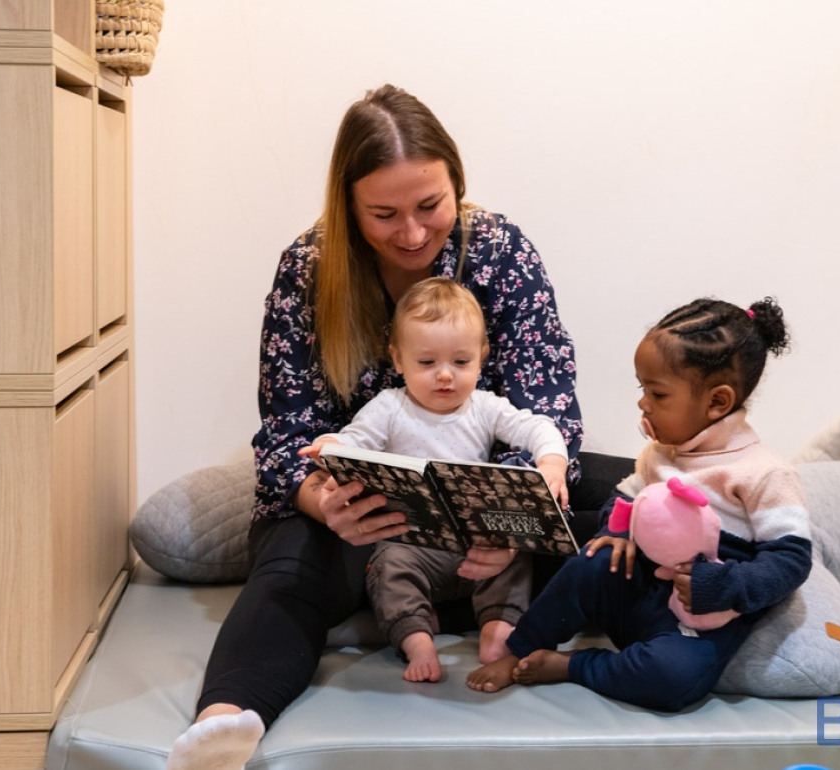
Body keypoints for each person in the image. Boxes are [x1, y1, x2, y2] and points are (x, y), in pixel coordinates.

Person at [165, 84, 583, 770]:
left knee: (623, 505)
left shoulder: (500, 252)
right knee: (290, 567)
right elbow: (286, 432)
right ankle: (224, 726)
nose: (412, 234)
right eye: (384, 214)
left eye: (430, 206)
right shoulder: (309, 268)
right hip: (358, 523)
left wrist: (505, 521)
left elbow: (548, 406)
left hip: (488, 519)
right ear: (348, 206)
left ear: (457, 186)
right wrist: (322, 502)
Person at [466, 297, 812, 712]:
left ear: (717, 403)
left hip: (693, 619)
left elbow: (791, 561)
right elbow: (624, 497)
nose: (643, 403)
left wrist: (724, 586)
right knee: (589, 562)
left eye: (657, 393)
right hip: (636, 590)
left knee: (674, 678)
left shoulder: (764, 473)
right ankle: (521, 648)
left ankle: (575, 666)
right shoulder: (663, 453)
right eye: (642, 388)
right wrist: (615, 532)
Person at [300, 277, 570, 683]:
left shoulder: (484, 407)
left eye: (460, 362)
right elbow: (355, 439)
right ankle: (416, 640)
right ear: (398, 360)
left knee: (517, 552)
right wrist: (331, 447)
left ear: (481, 358)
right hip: (413, 544)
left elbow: (538, 426)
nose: (445, 376)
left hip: (476, 544)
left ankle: (498, 629)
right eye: (427, 363)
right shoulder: (389, 407)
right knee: (387, 564)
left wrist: (552, 463)